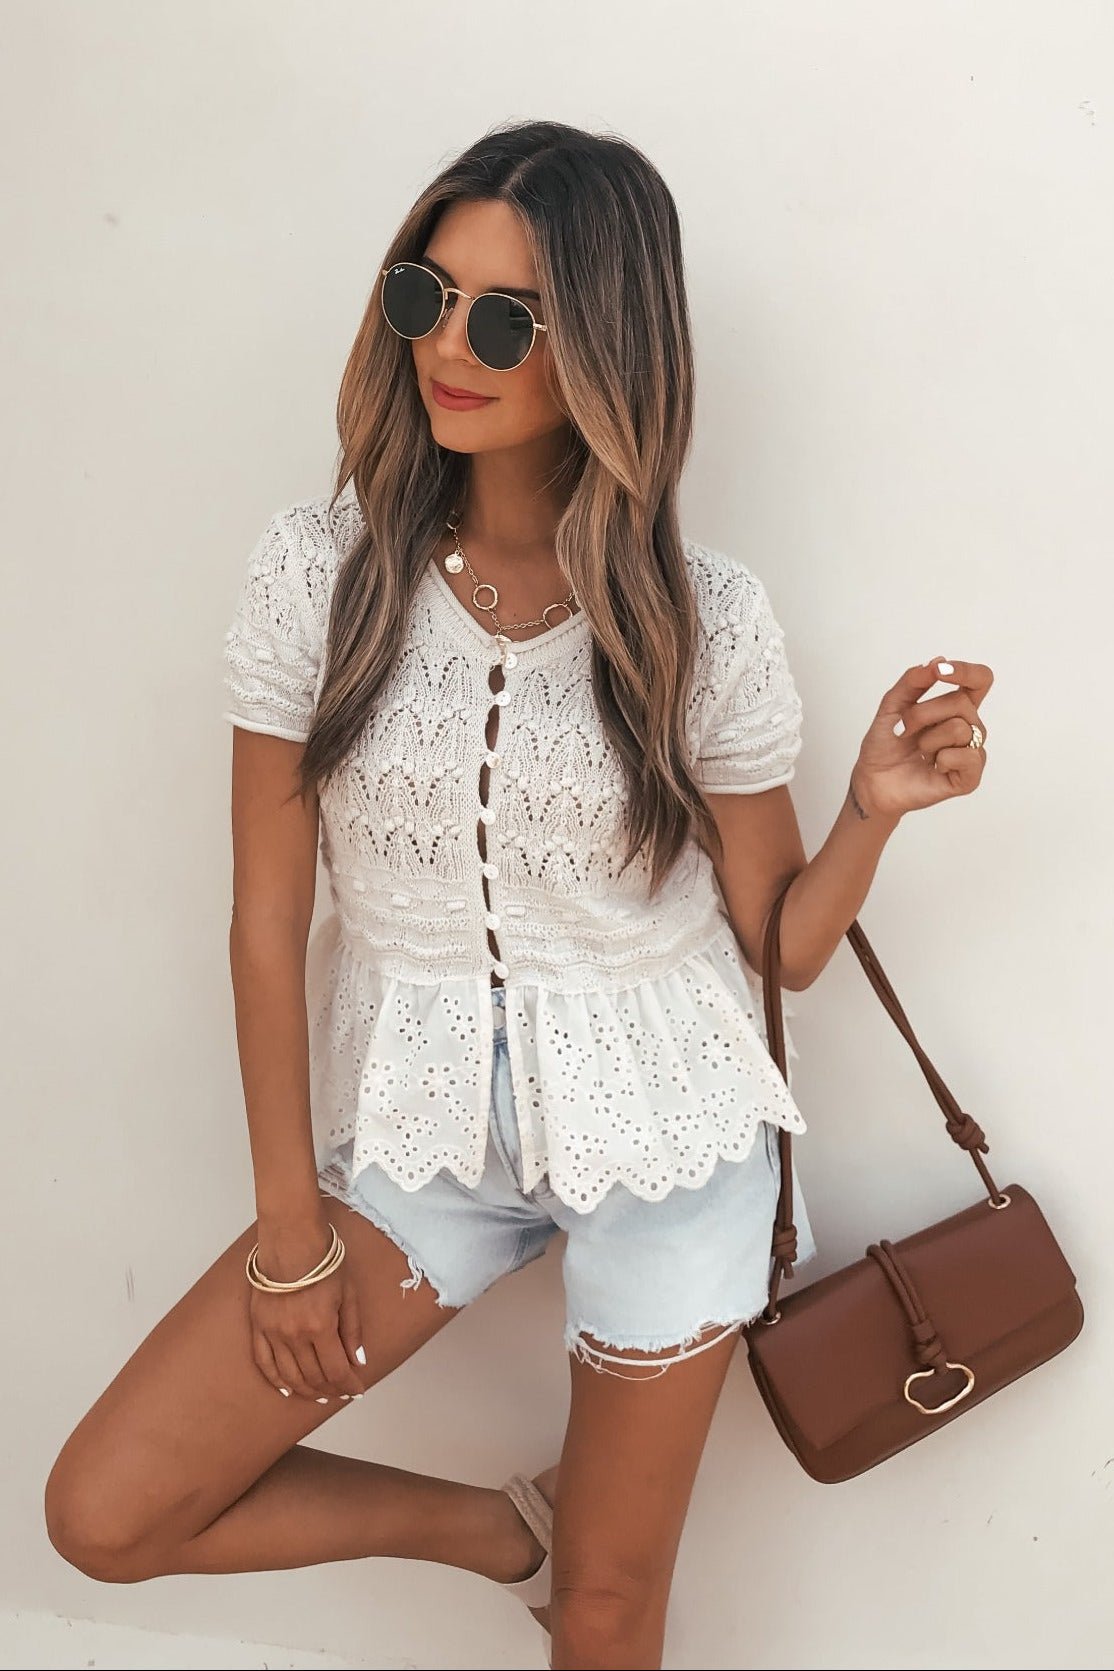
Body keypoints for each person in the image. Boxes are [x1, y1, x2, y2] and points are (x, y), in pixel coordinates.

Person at [44, 118, 991, 1671]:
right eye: (427, 297)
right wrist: (290, 1228)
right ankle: (499, 1531)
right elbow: (261, 920)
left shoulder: (702, 618)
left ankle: (563, 1562)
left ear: (608, 348)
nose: (450, 349)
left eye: (507, 320)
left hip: (672, 1128)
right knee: (109, 1510)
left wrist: (870, 814)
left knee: (613, 1615)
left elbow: (781, 952)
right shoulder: (322, 573)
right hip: (414, 1135)